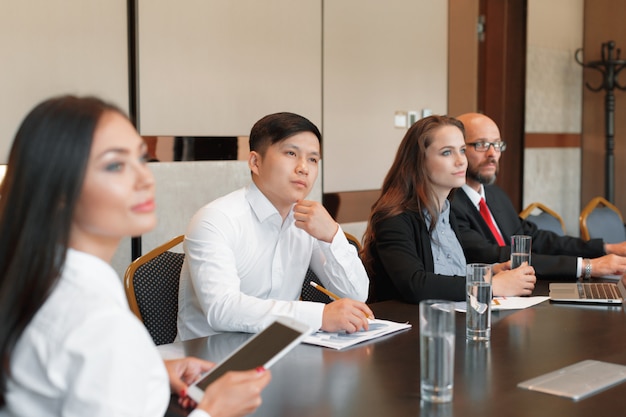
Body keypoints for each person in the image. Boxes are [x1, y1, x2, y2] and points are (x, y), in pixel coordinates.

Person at [0, 95, 271, 417]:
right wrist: (214, 411)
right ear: (57, 189)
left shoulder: (40, 283)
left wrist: (147, 371)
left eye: (142, 159)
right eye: (115, 165)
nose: (145, 178)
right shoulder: (97, 323)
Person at [177, 112, 372, 341]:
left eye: (313, 159)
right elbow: (222, 308)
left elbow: (355, 294)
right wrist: (319, 316)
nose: (303, 168)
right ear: (255, 162)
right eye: (291, 153)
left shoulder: (307, 221)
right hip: (207, 361)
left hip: (279, 352)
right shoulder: (215, 220)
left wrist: (332, 235)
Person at [360, 115, 536, 303]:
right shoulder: (394, 217)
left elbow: (447, 271)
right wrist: (490, 283)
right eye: (447, 153)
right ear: (419, 161)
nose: (461, 161)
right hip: (412, 326)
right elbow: (416, 284)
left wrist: (492, 270)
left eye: (462, 150)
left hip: (451, 319)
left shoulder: (447, 211)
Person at [450, 112, 626, 279]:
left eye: (497, 144)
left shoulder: (496, 195)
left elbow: (534, 239)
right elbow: (495, 254)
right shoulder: (449, 204)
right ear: (458, 150)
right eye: (481, 144)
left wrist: (605, 248)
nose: (492, 154)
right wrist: (587, 266)